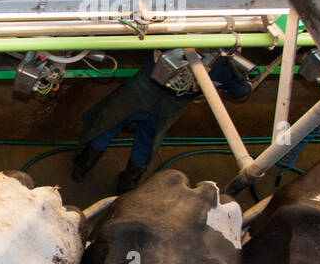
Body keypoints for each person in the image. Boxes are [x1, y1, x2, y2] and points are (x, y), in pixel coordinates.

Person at [72, 52, 252, 193]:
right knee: (147, 141)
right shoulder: (226, 67)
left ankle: (81, 168)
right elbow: (241, 92)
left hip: (145, 88)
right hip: (171, 100)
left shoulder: (179, 33)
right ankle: (127, 186)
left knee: (107, 124)